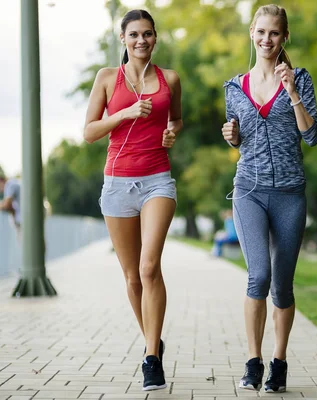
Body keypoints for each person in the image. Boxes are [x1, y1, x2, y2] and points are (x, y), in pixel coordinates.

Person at [221, 4, 317, 393]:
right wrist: (231, 137)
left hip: (290, 194)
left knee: (282, 286)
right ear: (251, 33)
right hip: (248, 190)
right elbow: (239, 137)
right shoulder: (233, 87)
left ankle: (279, 362)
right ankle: (253, 361)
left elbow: (311, 136)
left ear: (285, 37)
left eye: (274, 33)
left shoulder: (301, 80)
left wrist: (292, 91)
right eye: (261, 32)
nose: (267, 39)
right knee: (257, 276)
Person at [83, 9, 182, 392]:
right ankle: (153, 340)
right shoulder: (107, 78)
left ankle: (151, 359)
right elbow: (89, 131)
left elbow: (176, 120)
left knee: (148, 266)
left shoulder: (169, 78)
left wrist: (172, 132)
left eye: (148, 34)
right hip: (117, 184)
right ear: (123, 38)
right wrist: (123, 113)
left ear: (156, 38)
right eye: (134, 34)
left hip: (157, 180)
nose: (142, 40)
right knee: (130, 276)